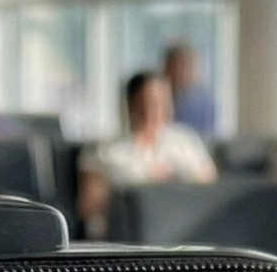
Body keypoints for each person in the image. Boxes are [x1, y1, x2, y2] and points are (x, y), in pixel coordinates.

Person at [79, 69, 218, 231]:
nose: (159, 109)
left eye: (164, 102)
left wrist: (175, 184)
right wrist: (145, 190)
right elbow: (88, 206)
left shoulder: (186, 142)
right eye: (151, 101)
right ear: (131, 104)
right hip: (126, 236)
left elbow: (210, 188)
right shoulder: (104, 151)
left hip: (182, 231)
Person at [162, 41, 215, 139]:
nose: (183, 73)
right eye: (178, 67)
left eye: (188, 67)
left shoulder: (204, 105)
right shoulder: (154, 100)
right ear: (166, 68)